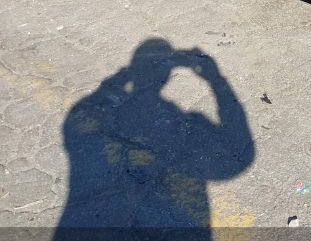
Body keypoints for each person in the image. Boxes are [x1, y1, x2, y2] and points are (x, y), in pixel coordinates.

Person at [55, 39, 254, 239]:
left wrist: (121, 78)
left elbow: (82, 115)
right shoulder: (187, 138)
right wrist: (216, 80)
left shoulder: (93, 128)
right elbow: (240, 155)